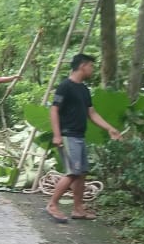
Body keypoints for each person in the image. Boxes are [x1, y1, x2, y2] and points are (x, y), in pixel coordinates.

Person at [45, 53, 121, 223]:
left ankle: (78, 209)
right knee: (72, 172)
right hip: (67, 135)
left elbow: (92, 114)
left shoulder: (84, 89)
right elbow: (54, 110)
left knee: (82, 173)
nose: (92, 70)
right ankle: (52, 204)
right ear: (82, 66)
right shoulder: (65, 86)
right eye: (91, 66)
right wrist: (57, 134)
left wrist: (110, 128)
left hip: (79, 136)